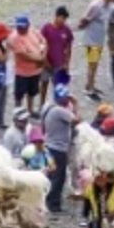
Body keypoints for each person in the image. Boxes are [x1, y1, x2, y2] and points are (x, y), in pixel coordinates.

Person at [79, 0, 114, 98]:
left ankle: (90, 84)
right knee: (92, 64)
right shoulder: (96, 5)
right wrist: (83, 26)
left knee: (95, 64)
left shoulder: (109, 6)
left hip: (99, 39)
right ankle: (89, 88)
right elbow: (84, 19)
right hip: (92, 39)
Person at [44, 85, 78, 213]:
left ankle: (47, 199)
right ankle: (54, 204)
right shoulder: (60, 111)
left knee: (51, 175)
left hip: (50, 146)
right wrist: (75, 104)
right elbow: (76, 120)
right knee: (59, 177)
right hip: (58, 149)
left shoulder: (49, 107)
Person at [8, 14, 47, 114]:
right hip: (22, 72)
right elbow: (23, 55)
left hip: (35, 70)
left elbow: (44, 41)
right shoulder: (14, 38)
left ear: (28, 25)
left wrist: (43, 53)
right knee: (19, 95)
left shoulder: (33, 31)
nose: (20, 29)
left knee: (32, 92)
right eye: (19, 27)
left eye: (23, 27)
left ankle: (30, 110)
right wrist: (40, 59)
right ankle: (18, 112)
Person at [41, 6, 74, 106]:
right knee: (44, 84)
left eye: (65, 19)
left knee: (59, 86)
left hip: (59, 64)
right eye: (62, 18)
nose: (63, 21)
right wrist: (44, 61)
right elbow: (41, 45)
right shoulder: (46, 28)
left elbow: (69, 47)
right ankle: (42, 104)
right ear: (56, 16)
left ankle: (58, 105)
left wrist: (67, 63)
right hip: (46, 62)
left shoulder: (66, 30)